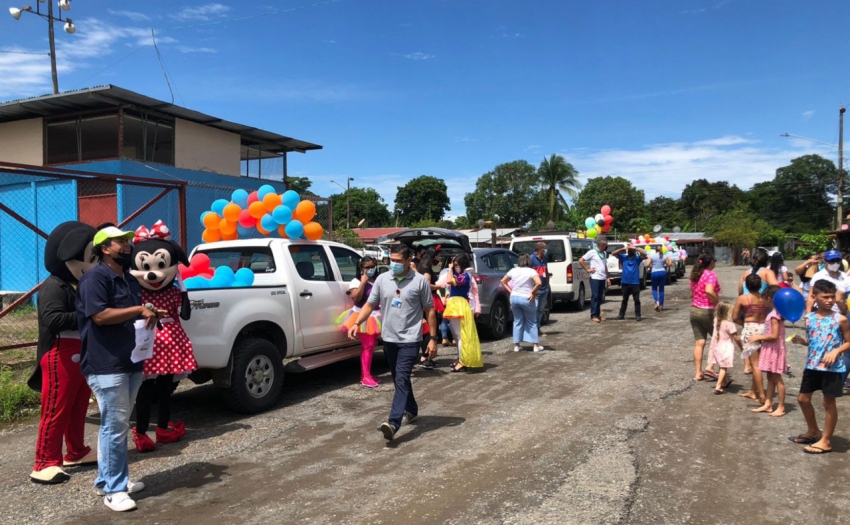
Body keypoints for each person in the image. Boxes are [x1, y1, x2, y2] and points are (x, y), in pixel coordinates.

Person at [77, 226, 166, 512]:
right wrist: (139, 310)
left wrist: (149, 310)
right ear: (105, 248)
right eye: (120, 243)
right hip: (106, 364)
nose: (127, 247)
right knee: (115, 427)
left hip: (130, 360)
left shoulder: (128, 279)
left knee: (116, 425)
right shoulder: (94, 278)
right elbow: (100, 316)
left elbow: (129, 313)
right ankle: (114, 490)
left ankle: (110, 479)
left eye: (127, 242)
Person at [29, 221, 99, 485]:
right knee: (56, 408)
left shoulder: (77, 285)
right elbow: (52, 318)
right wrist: (88, 315)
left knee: (78, 405)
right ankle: (45, 460)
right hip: (59, 353)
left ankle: (76, 450)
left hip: (80, 352)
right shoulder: (54, 286)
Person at [347, 246, 437, 441]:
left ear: (408, 260)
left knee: (402, 377)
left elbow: (429, 310)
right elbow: (370, 304)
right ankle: (411, 409)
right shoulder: (382, 279)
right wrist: (356, 323)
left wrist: (433, 339)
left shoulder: (419, 281)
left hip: (411, 339)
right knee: (399, 378)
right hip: (389, 338)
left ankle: (393, 422)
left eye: (398, 260)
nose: (394, 264)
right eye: (391, 260)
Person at [789, 280, 850, 454]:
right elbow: (815, 339)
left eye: (832, 297)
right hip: (813, 365)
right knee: (802, 399)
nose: (830, 300)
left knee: (828, 402)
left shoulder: (841, 319)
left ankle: (826, 440)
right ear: (814, 297)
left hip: (832, 368)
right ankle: (814, 430)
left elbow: (848, 342)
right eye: (825, 297)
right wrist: (803, 341)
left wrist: (836, 351)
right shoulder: (809, 318)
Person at [337, 256, 382, 387]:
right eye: (367, 267)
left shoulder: (377, 280)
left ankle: (366, 374)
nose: (370, 270)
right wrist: (363, 282)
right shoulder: (355, 281)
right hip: (361, 317)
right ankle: (365, 377)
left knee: (371, 347)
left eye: (372, 267)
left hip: (376, 316)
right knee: (368, 346)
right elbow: (356, 298)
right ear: (361, 268)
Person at [749, 286, 787, 416]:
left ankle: (781, 407)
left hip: (774, 349)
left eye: (763, 298)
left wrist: (758, 337)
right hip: (771, 349)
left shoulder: (774, 316)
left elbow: (774, 335)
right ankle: (768, 404)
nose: (761, 301)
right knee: (770, 377)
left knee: (777, 378)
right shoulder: (777, 313)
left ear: (769, 299)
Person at [442, 254, 483, 372]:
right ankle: (461, 358)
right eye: (454, 265)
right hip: (457, 304)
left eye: (456, 265)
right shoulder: (463, 275)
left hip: (459, 305)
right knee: (457, 335)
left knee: (460, 336)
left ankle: (462, 361)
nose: (455, 267)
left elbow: (449, 281)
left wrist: (449, 268)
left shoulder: (465, 276)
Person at [732, 274, 768, 404]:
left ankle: (761, 395)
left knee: (755, 364)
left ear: (746, 285)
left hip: (750, 328)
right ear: (760, 286)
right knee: (758, 361)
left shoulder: (743, 298)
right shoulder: (764, 298)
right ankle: (753, 390)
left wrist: (744, 323)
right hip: (764, 328)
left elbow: (735, 317)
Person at [501, 254, 543, 352]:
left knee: (517, 321)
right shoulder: (531, 271)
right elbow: (539, 283)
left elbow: (503, 281)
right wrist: (532, 292)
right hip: (527, 298)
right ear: (529, 262)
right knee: (532, 321)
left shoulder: (513, 270)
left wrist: (511, 291)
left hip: (514, 298)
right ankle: (535, 345)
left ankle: (517, 345)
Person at [690, 252, 720, 382]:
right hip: (708, 310)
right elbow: (709, 291)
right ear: (711, 262)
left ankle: (698, 372)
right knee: (717, 339)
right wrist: (718, 303)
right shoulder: (710, 275)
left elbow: (693, 293)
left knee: (699, 342)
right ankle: (710, 366)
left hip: (695, 309)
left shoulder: (695, 275)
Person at [708, 301, 741, 394]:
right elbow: (736, 337)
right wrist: (742, 346)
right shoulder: (730, 324)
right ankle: (718, 386)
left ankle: (724, 382)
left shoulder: (716, 320)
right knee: (724, 367)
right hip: (726, 347)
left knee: (721, 365)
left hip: (717, 346)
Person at [611, 243, 647, 321]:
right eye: (630, 250)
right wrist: (624, 248)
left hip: (635, 283)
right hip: (625, 282)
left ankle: (638, 315)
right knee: (624, 299)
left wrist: (636, 248)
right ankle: (621, 315)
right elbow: (613, 253)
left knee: (636, 300)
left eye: (632, 250)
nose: (631, 251)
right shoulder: (623, 257)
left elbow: (644, 254)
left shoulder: (637, 258)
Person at [806, 249, 849, 315]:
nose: (835, 263)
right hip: (824, 313)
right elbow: (811, 296)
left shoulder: (843, 275)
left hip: (841, 312)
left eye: (837, 261)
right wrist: (807, 314)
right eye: (832, 261)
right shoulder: (818, 276)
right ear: (825, 261)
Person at [579, 237, 610, 324]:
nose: (605, 247)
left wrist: (608, 277)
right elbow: (581, 260)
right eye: (605, 245)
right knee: (595, 297)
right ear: (601, 245)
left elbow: (605, 265)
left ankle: (598, 314)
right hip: (595, 277)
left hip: (602, 277)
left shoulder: (603, 253)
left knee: (600, 297)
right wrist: (588, 269)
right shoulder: (592, 252)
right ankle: (593, 315)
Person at [530, 242, 549, 334]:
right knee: (534, 309)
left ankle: (537, 328)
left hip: (544, 288)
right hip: (535, 289)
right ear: (540, 249)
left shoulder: (545, 259)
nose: (545, 250)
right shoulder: (531, 259)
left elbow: (547, 271)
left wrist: (548, 284)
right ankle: (533, 329)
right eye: (544, 248)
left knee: (540, 310)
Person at [648, 244, 672, 312]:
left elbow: (647, 265)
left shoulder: (652, 256)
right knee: (661, 289)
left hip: (654, 273)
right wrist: (669, 260)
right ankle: (661, 305)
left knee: (654, 288)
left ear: (655, 250)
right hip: (662, 272)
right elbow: (669, 265)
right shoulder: (664, 256)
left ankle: (657, 301)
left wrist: (650, 265)